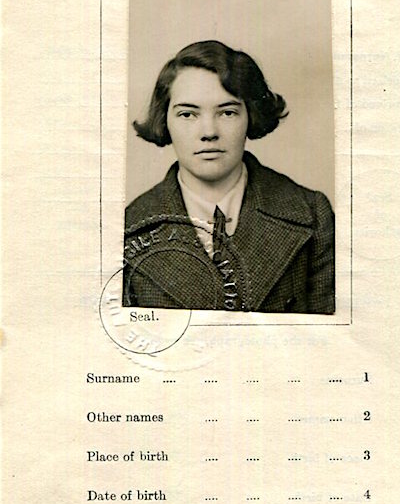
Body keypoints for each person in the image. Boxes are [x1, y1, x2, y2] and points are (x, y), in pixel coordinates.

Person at [123, 40, 334, 313]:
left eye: (227, 112)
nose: (209, 132)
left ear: (250, 116)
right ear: (164, 120)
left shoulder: (312, 214)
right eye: (188, 114)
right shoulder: (129, 229)